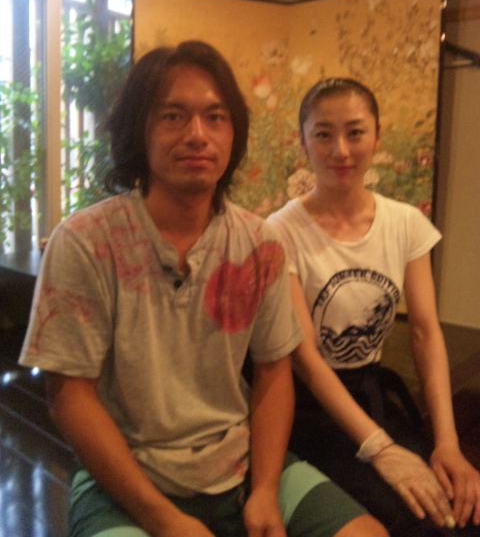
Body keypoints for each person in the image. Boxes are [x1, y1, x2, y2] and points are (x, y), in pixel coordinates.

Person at [19, 45, 387, 537]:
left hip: (240, 464)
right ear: (139, 130)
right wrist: (163, 519)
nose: (197, 135)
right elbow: (69, 397)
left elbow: (274, 371)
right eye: (173, 116)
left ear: (234, 133)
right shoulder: (86, 241)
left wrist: (264, 489)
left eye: (216, 117)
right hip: (125, 480)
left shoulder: (260, 242)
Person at [267, 77, 480, 537]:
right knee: (414, 519)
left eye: (355, 132)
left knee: (460, 512)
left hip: (372, 394)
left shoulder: (405, 222)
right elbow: (306, 357)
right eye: (324, 134)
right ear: (303, 142)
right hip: (309, 407)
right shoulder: (280, 231)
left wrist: (447, 443)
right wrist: (379, 449)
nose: (341, 150)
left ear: (377, 138)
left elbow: (425, 331)